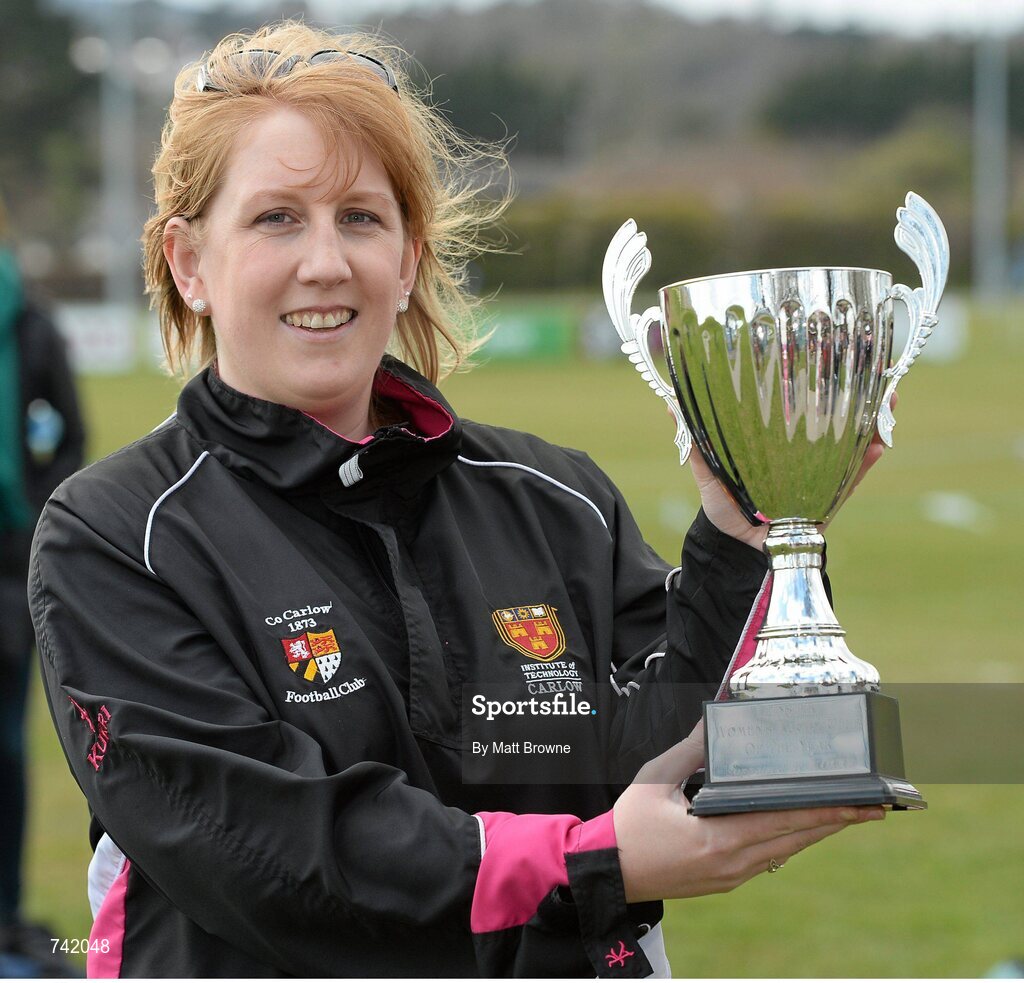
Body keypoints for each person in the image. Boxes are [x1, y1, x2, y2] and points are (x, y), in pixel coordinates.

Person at [29, 22, 887, 979]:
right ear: (189, 262)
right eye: (276, 218)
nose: (326, 262)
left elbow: (681, 745)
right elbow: (262, 851)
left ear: (407, 259)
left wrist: (744, 535)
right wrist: (589, 862)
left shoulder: (553, 497)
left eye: (361, 217)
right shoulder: (117, 533)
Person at [0, 196, 85, 977]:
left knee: (7, 748)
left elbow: (71, 430)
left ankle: (7, 920)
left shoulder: (30, 322)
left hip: (3, 567)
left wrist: (30, 530)